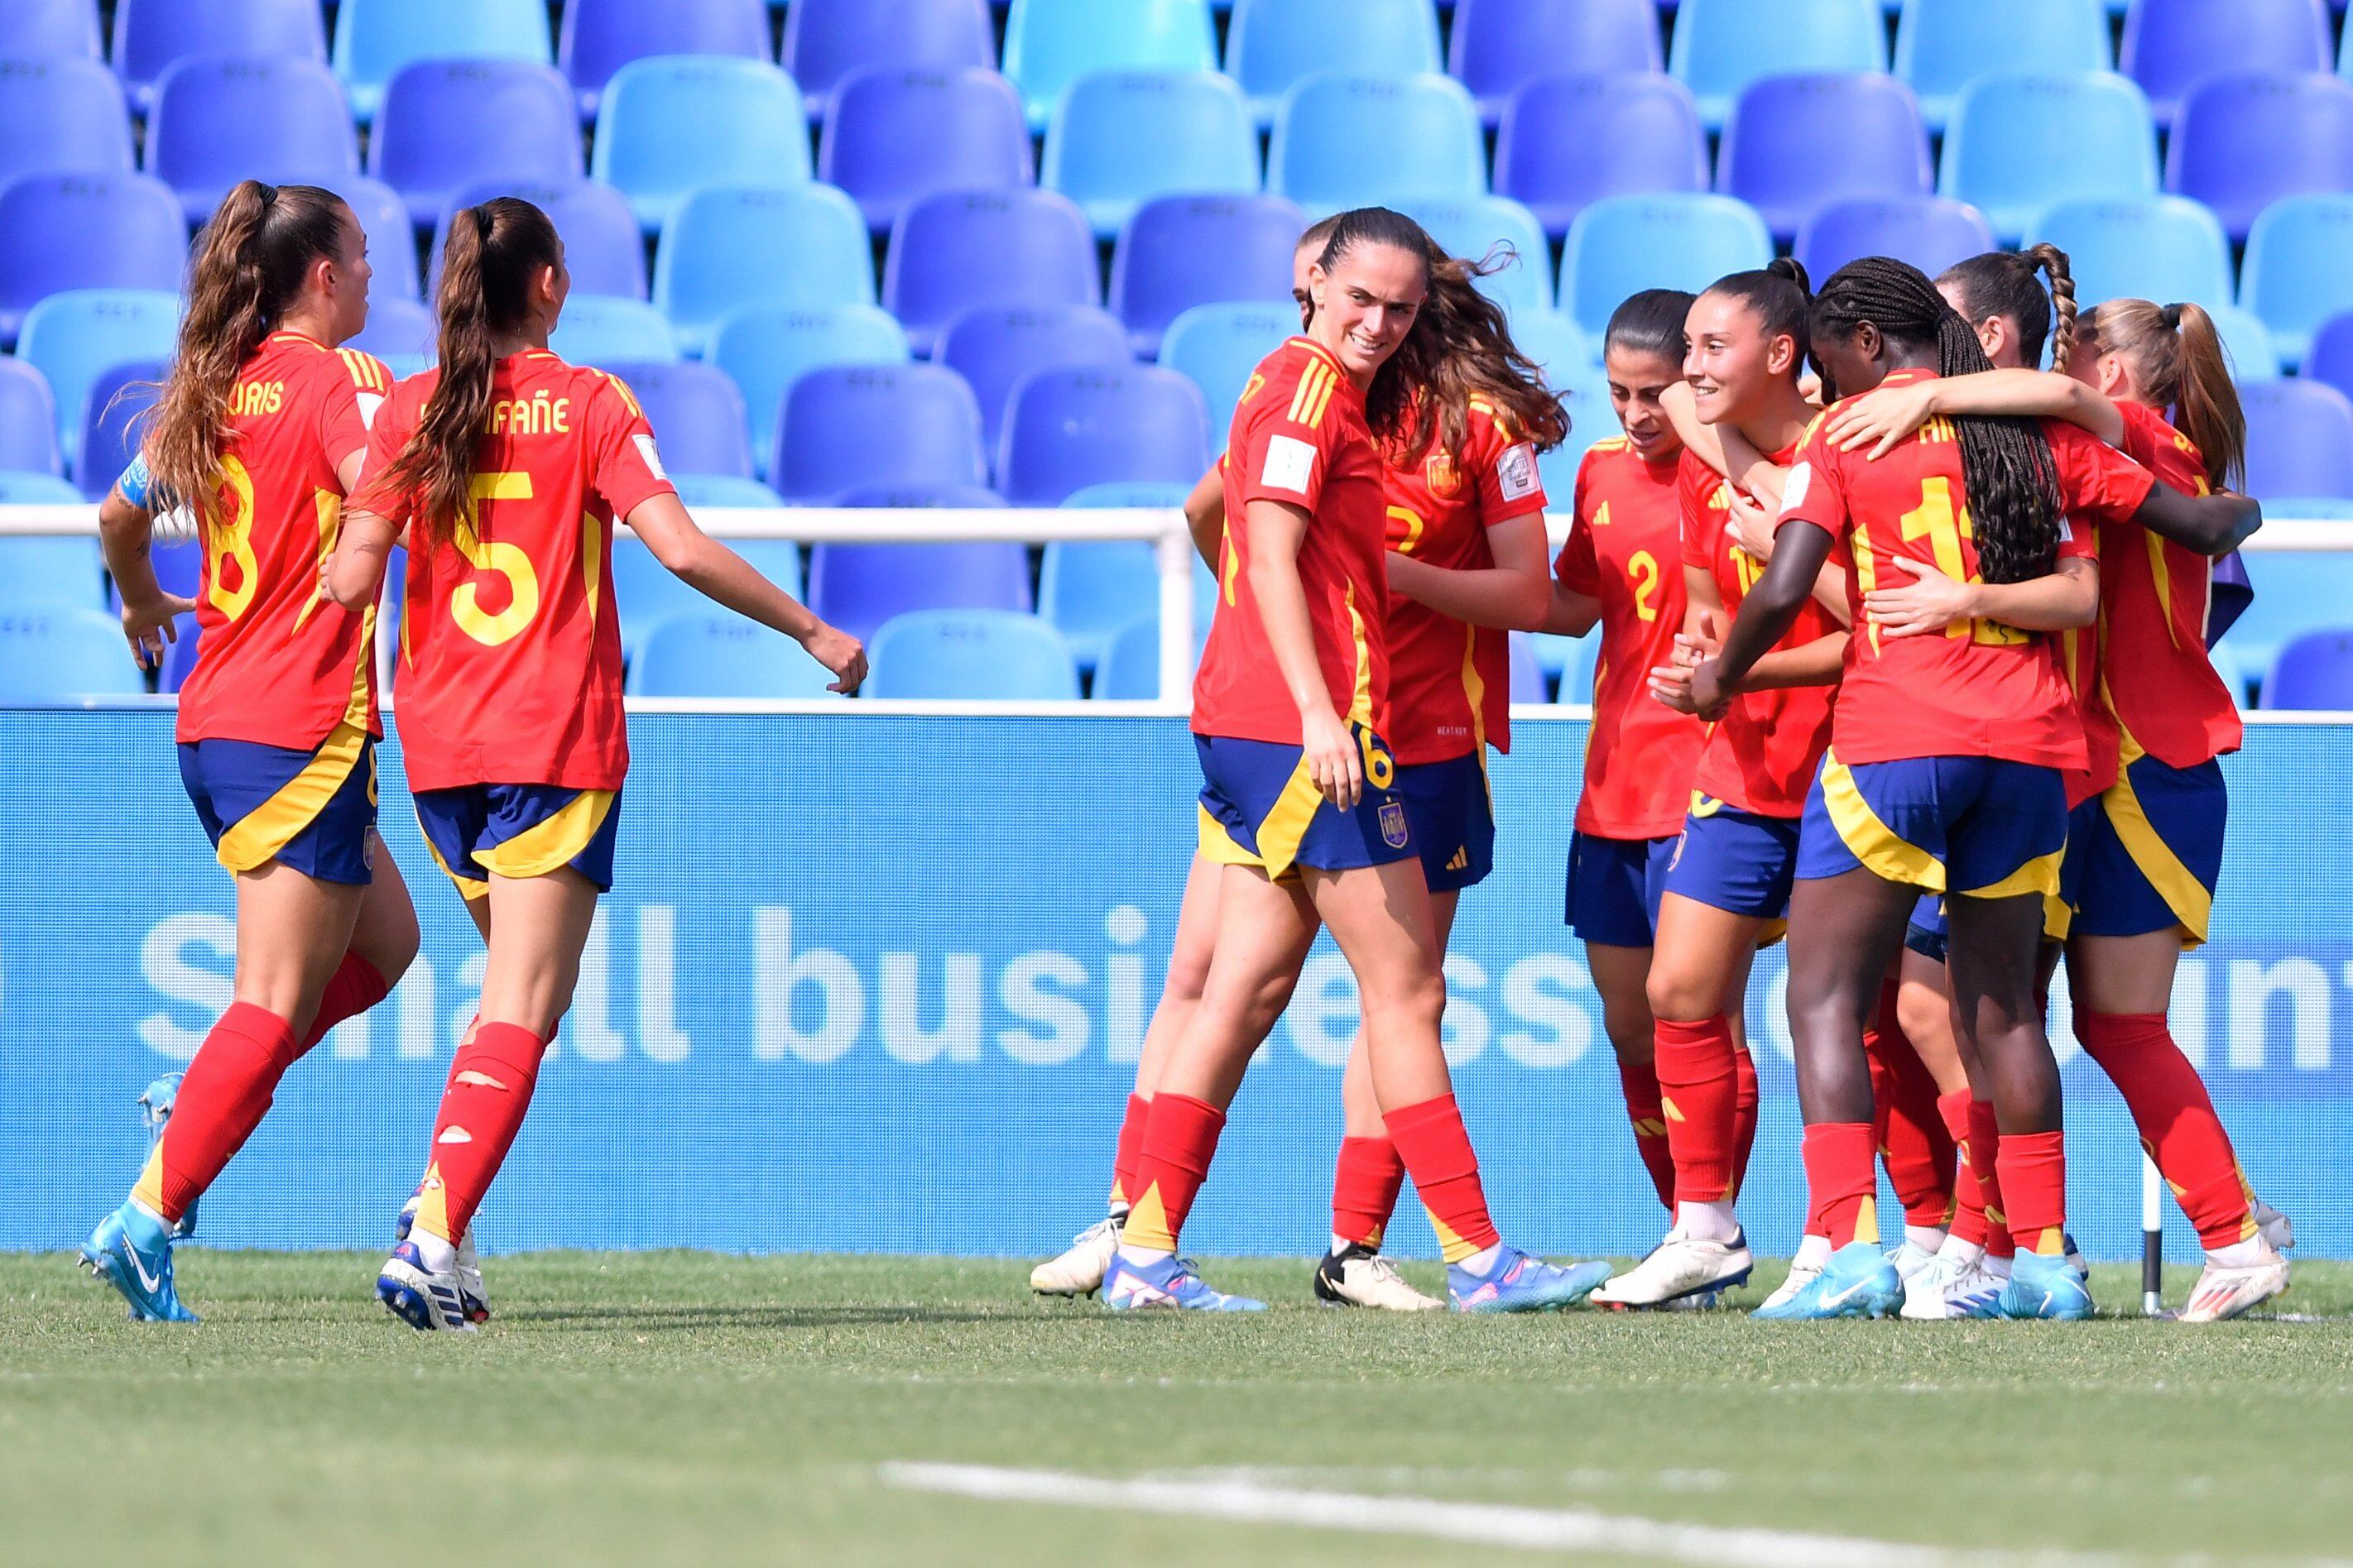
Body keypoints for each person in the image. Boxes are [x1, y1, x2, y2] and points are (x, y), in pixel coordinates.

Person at [323, 198, 865, 1331]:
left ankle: (441, 1215)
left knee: (525, 993)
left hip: (441, 752)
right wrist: (809, 630)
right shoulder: (587, 403)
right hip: (551, 738)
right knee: (527, 996)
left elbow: (349, 567)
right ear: (552, 286)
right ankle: (429, 1239)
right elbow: (676, 545)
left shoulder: (414, 409)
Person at [1690, 257, 2259, 1321]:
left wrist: (1723, 675)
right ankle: (2041, 1260)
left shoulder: (1849, 434)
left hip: (1897, 740)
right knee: (2005, 1012)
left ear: (1863, 345)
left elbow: (1785, 582)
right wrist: (2242, 505)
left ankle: (1849, 1243)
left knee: (1820, 993)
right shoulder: (2035, 440)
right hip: (2033, 751)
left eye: (1827, 356)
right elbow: (2177, 537)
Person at [1099, 207, 1609, 1314]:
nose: (1376, 322)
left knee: (1242, 988)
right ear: (1311, 285)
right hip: (1308, 738)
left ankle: (1143, 1250)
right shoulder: (1309, 388)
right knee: (1403, 987)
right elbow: (1269, 550)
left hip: (1271, 726)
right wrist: (1319, 712)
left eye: (1399, 307)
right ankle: (1477, 1256)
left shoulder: (1287, 382)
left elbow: (1235, 532)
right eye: (1358, 300)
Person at [79, 181, 420, 1325]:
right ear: (321, 275)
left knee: (387, 943)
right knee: (271, 1000)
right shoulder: (333, 384)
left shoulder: (216, 388)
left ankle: (204, 1090)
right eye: (364, 258)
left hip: (215, 718)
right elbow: (386, 480)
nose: (374, 275)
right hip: (301, 725)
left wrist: (140, 608)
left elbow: (119, 518)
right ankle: (145, 1215)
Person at [1592, 263, 1846, 1311]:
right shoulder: (1709, 478)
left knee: (1870, 1016)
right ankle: (1705, 1228)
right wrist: (1704, 656)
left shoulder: (1841, 455)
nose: (1685, 371)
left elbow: (1876, 632)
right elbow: (1708, 606)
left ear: (1778, 355)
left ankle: (1876, 1238)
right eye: (1683, 349)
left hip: (1845, 769)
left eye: (1705, 351)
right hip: (1738, 768)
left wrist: (1732, 668)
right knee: (1676, 994)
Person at [1545, 289, 1707, 1223]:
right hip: (1612, 785)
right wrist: (1428, 583)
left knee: (1696, 1016)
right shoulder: (1600, 472)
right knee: (1628, 1026)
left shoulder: (1740, 474)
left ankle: (1708, 1223)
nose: (1638, 415)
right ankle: (1678, 1228)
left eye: (1657, 393)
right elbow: (1572, 603)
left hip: (1707, 786)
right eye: (1620, 394)